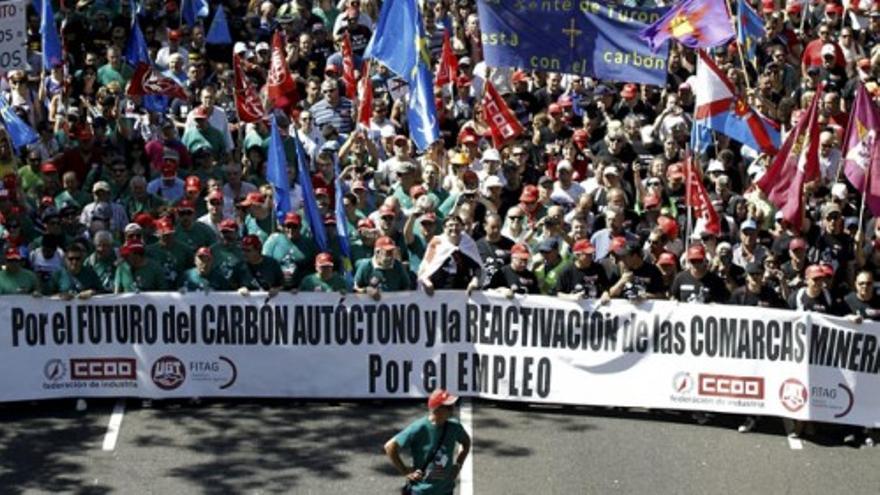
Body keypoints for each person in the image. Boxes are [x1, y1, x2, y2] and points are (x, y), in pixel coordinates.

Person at [385, 389, 471, 495]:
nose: (453, 409)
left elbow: (466, 443)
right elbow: (390, 447)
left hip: (445, 490)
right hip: (421, 491)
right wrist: (406, 472)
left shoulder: (454, 427)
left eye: (453, 405)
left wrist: (458, 465)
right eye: (448, 407)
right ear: (437, 410)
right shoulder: (419, 428)